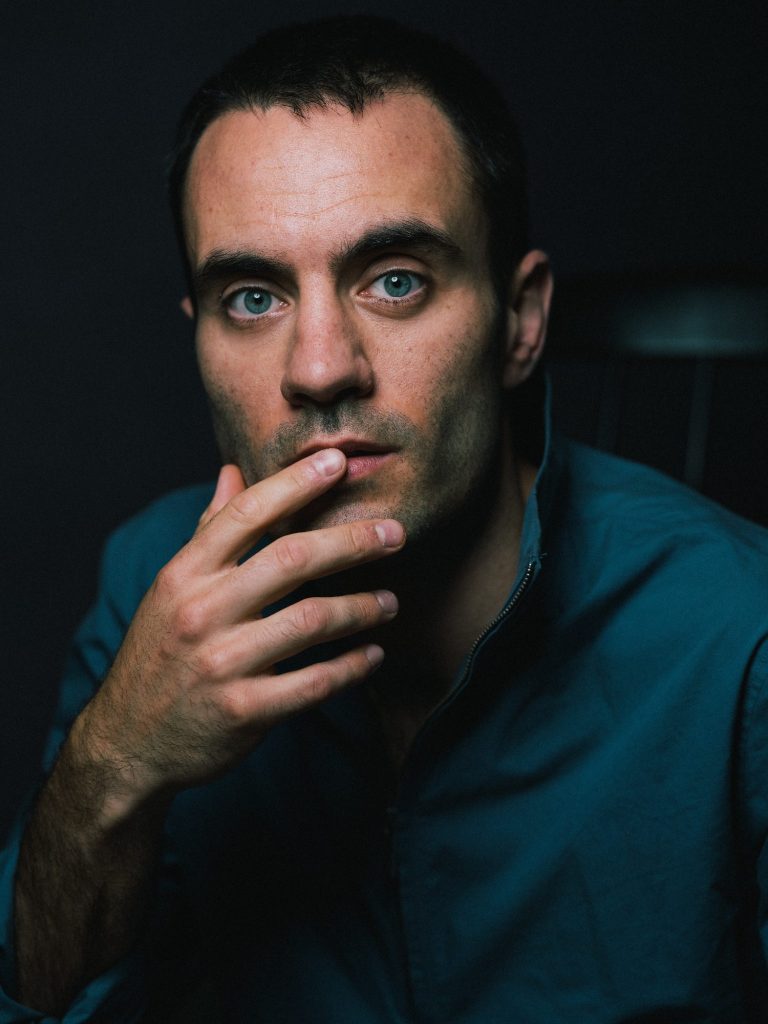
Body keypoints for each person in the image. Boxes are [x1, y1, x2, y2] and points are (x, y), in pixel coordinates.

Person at [2, 14, 768, 1023]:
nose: (321, 368)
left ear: (521, 321)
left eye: (396, 281)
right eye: (253, 298)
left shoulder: (740, 639)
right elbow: (39, 994)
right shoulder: (155, 588)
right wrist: (113, 763)